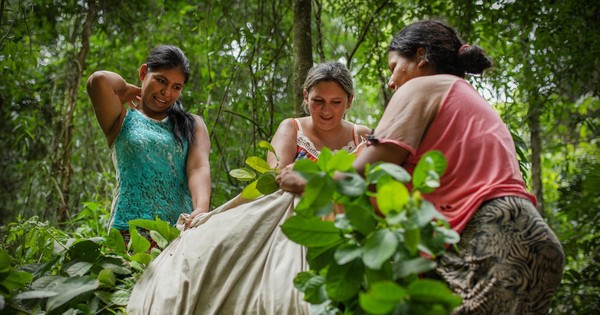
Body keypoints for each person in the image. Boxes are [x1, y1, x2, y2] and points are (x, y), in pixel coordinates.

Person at [347, 20, 563, 314]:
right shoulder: (464, 97)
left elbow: (363, 173)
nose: (391, 81)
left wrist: (307, 179)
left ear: (421, 56)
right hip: (527, 239)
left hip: (495, 240)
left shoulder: (421, 86)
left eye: (393, 67)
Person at [126, 61, 370, 315]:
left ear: (349, 101)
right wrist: (214, 213)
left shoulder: (362, 136)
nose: (326, 110)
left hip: (343, 217)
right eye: (319, 101)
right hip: (291, 217)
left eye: (336, 102)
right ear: (306, 97)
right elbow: (273, 183)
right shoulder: (292, 127)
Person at [86, 45, 211, 242]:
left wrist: (201, 209)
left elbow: (198, 168)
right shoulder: (122, 118)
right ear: (144, 72)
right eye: (161, 81)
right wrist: (128, 89)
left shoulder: (192, 124)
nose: (166, 93)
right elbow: (98, 81)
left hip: (179, 233)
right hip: (129, 233)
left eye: (176, 87)